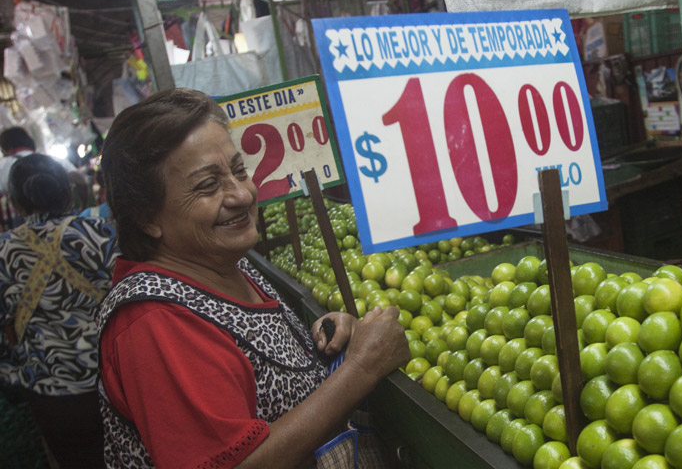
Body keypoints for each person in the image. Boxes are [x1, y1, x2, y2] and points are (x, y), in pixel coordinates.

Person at [98, 88, 409, 468]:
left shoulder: (223, 264)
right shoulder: (154, 322)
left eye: (239, 170)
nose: (242, 194)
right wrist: (362, 369)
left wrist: (326, 345)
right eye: (208, 185)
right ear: (146, 217)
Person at [0, 153, 119, 468]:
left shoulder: (3, 253)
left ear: (16, 204)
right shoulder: (103, 235)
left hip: (50, 392)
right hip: (118, 379)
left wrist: (14, 373)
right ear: (69, 193)